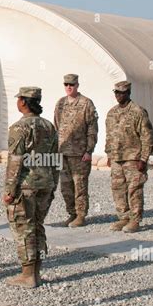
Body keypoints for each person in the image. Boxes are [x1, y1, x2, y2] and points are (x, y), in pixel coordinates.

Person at [3, 87, 59, 288]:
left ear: (24, 102)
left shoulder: (19, 128)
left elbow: (15, 161)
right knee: (38, 226)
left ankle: (27, 275)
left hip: (26, 186)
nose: (17, 102)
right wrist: (54, 183)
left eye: (19, 99)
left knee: (23, 228)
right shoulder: (49, 126)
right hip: (45, 184)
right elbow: (55, 158)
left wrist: (10, 190)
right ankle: (36, 271)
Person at [105, 81, 153, 232]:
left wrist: (144, 159)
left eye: (122, 93)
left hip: (133, 158)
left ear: (128, 93)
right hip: (116, 158)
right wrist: (108, 154)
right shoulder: (112, 112)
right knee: (118, 188)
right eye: (116, 93)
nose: (119, 96)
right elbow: (109, 136)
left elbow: (147, 137)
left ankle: (135, 220)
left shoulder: (138, 111)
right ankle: (123, 217)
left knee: (134, 189)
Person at [54, 74, 98, 227]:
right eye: (66, 84)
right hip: (63, 152)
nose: (68, 87)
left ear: (77, 85)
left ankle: (81, 215)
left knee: (80, 185)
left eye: (71, 84)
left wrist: (89, 151)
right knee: (65, 186)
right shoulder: (60, 103)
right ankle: (71, 213)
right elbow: (57, 126)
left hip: (80, 154)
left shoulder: (86, 103)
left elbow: (92, 129)